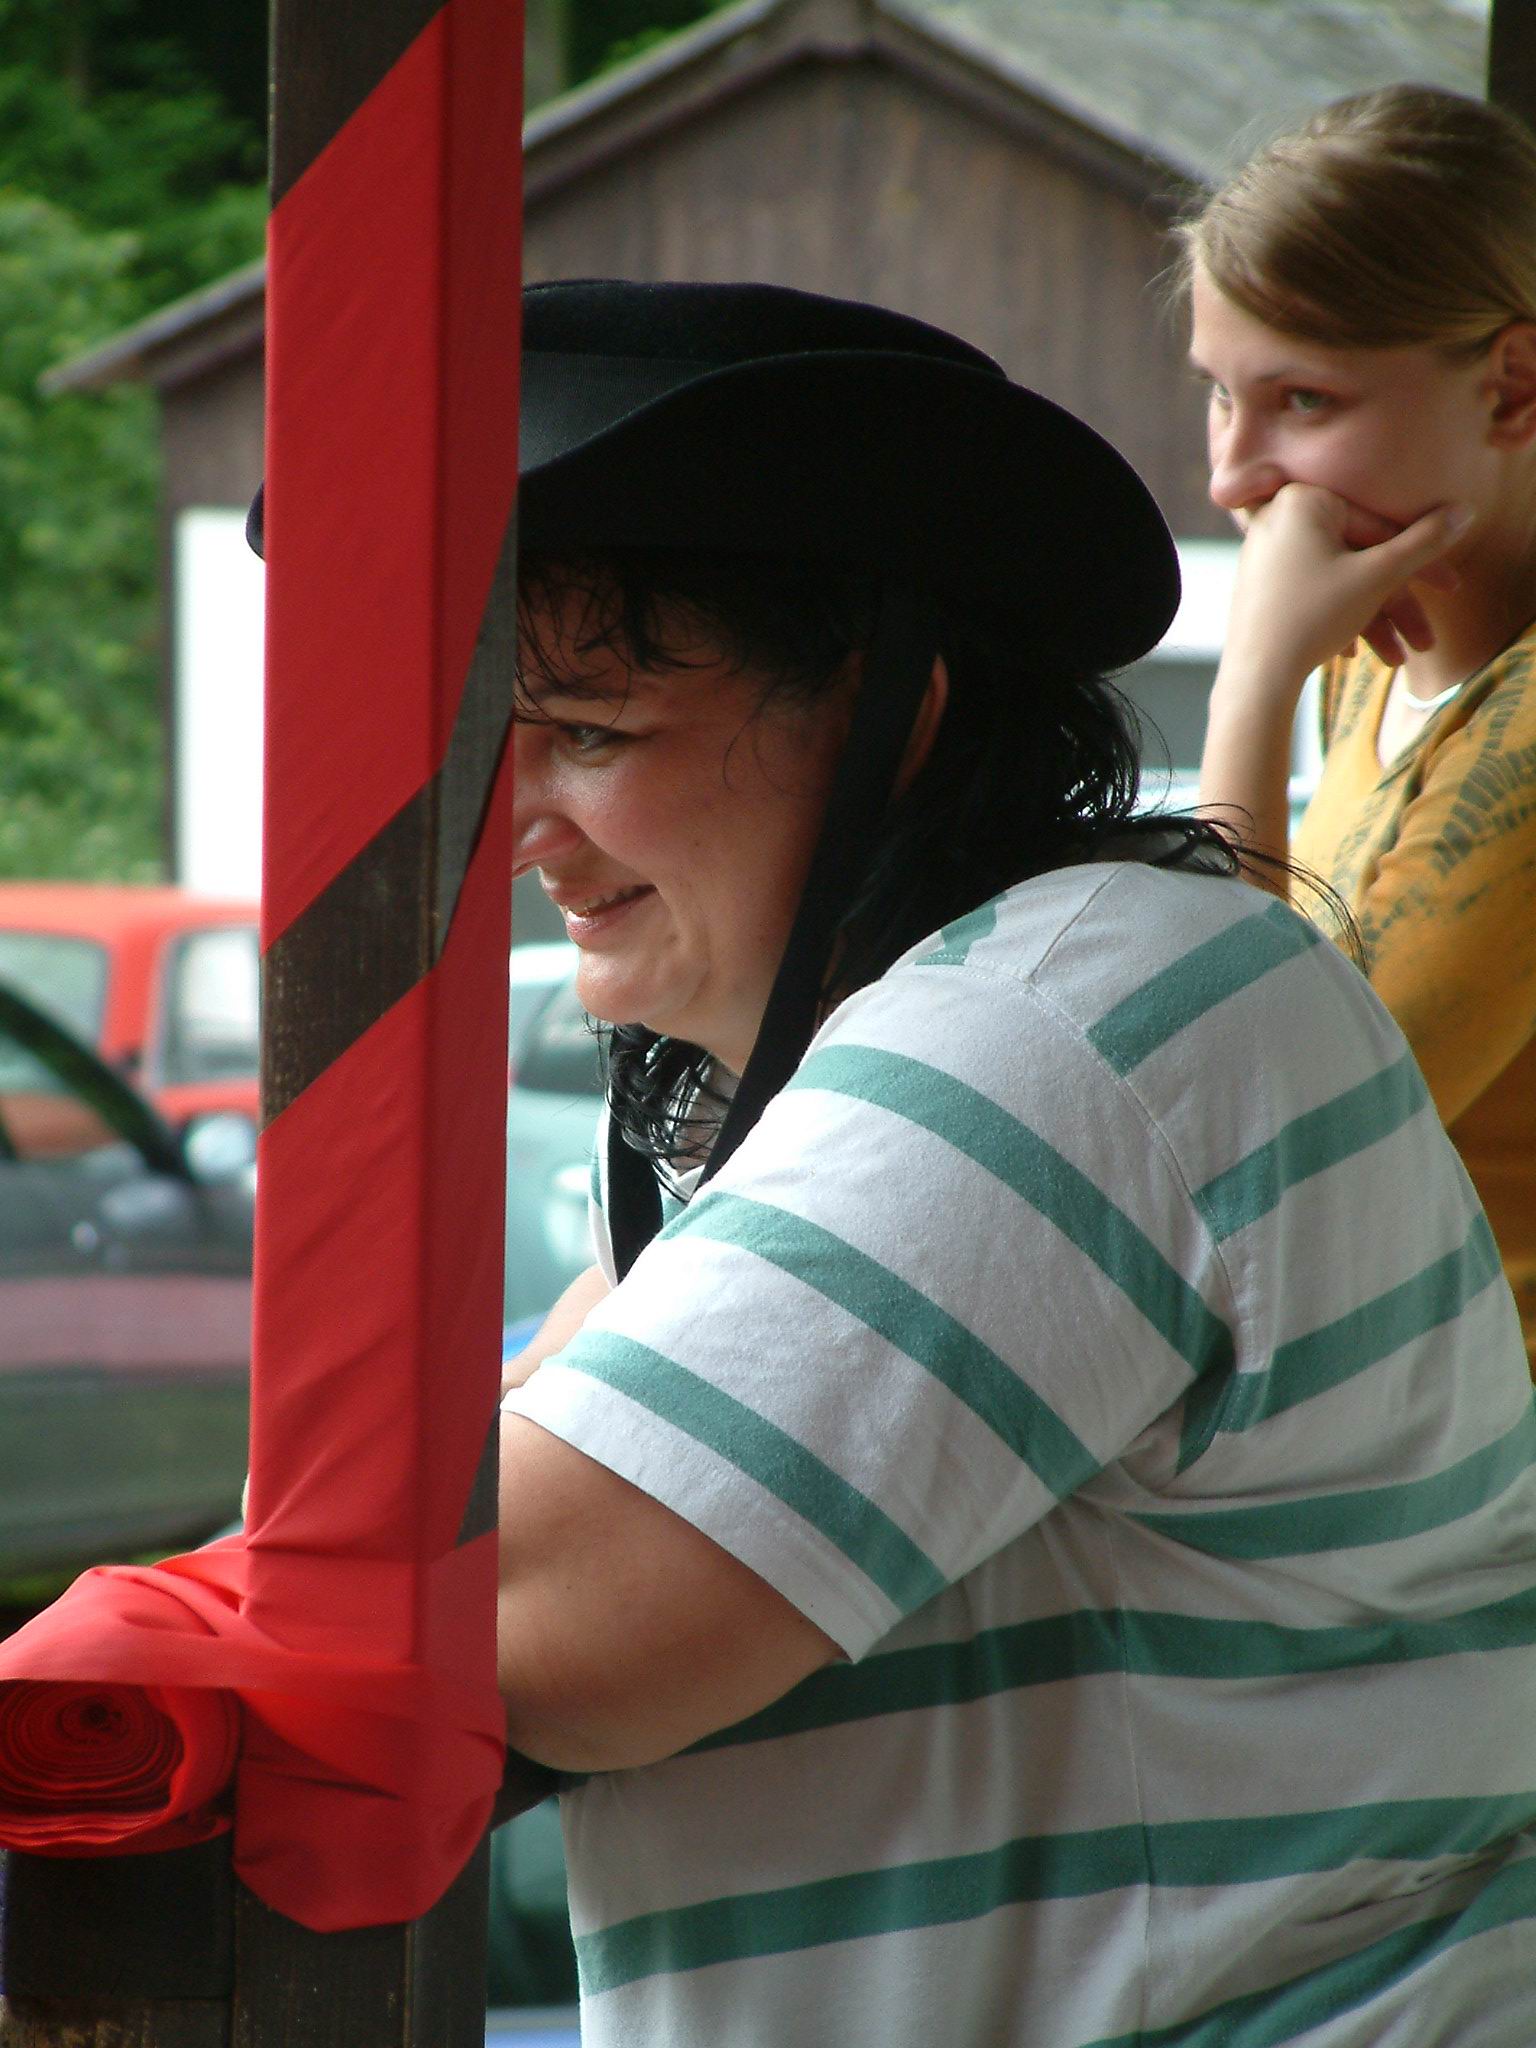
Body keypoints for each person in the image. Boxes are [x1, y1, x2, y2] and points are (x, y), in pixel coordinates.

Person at [496, 278, 1536, 2047]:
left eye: (591, 733)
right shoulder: (945, 1039)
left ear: (896, 714)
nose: (512, 822)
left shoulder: (1058, 1017)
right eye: (492, 737)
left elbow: (535, 1613)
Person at [1184, 82, 1536, 1365]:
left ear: (1512, 387)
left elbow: (1246, 1154)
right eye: (1220, 394)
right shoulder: (1369, 654)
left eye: (1304, 402)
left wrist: (1250, 678)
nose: (1231, 475)